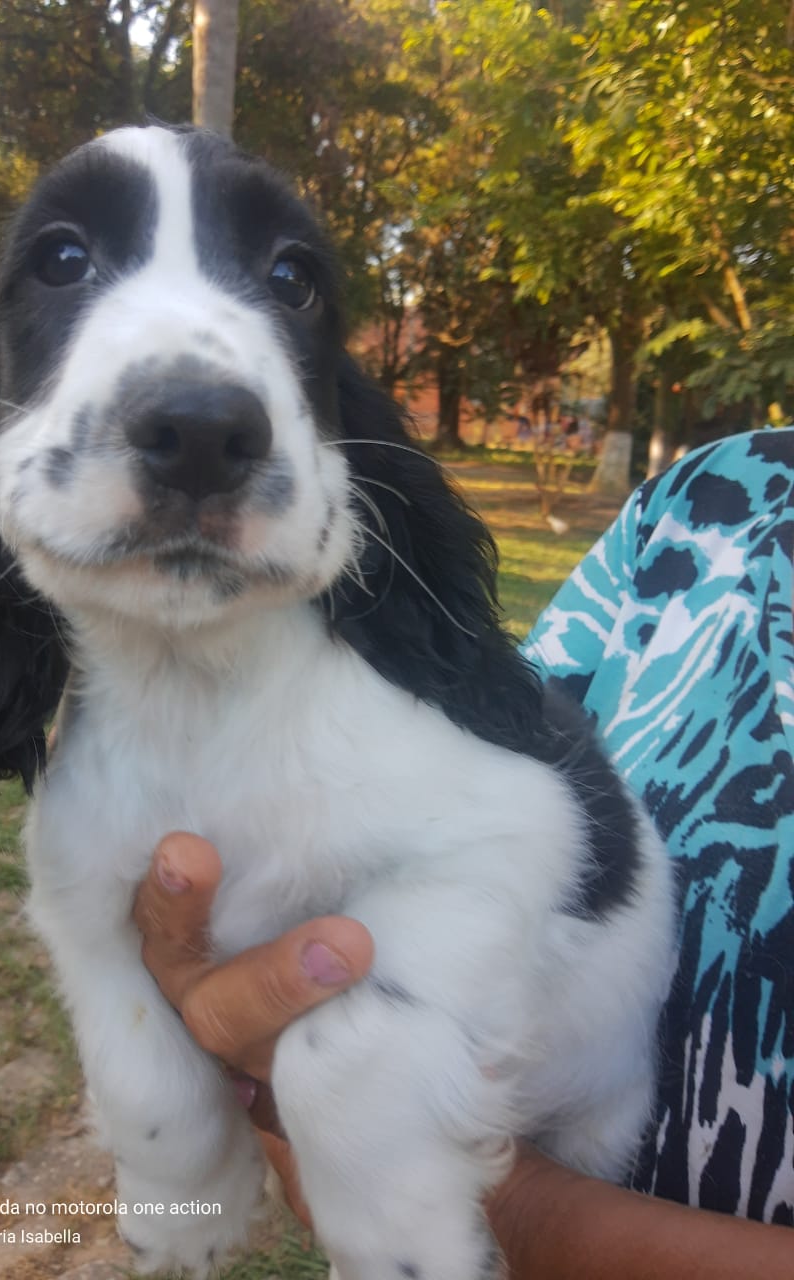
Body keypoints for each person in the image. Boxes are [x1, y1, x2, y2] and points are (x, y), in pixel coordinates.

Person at [132, 429, 794, 1276]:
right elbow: (501, 713)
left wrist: (459, 1191)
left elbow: (516, 828)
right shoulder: (712, 493)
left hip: (573, 1132)